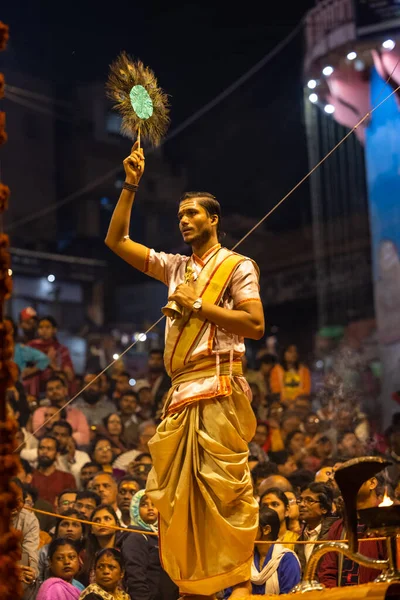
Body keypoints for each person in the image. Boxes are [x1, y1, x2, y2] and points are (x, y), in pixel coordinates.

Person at [105, 141, 264, 597]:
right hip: (179, 396)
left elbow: (254, 324)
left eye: (192, 213)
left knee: (222, 495)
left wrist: (197, 305)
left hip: (218, 387)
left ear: (213, 219)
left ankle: (236, 586)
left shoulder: (238, 266)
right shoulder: (174, 267)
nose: (184, 221)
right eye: (179, 216)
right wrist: (130, 184)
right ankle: (193, 588)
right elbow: (116, 241)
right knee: (178, 504)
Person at [119, 489, 178, 600]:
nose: (150, 508)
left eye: (154, 504)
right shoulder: (136, 537)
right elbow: (135, 576)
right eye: (144, 504)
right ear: (135, 508)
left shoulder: (162, 536)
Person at [249, 505, 300, 595]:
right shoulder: (246, 558)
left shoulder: (287, 559)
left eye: (252, 525)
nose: (246, 530)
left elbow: (290, 597)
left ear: (266, 530)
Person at [31, 377, 90, 447]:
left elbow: (85, 437)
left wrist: (64, 438)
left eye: (58, 388)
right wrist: (69, 435)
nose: (54, 391)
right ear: (46, 394)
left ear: (65, 390)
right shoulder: (40, 412)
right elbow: (38, 433)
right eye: (50, 389)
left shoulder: (77, 414)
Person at [295, 482, 337, 574]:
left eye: (309, 500)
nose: (301, 504)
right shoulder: (300, 536)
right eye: (300, 500)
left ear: (324, 509)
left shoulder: (334, 533)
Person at [27, 316, 75, 393]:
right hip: (32, 392)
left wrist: (54, 367)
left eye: (47, 327)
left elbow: (70, 376)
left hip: (54, 390)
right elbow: (22, 373)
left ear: (54, 330)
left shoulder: (61, 349)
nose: (44, 330)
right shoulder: (30, 347)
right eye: (41, 327)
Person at [31, 435, 76, 506]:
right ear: (37, 451)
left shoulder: (67, 478)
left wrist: (61, 504)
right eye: (42, 448)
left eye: (49, 449)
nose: (44, 452)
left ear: (57, 454)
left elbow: (71, 502)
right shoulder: (29, 476)